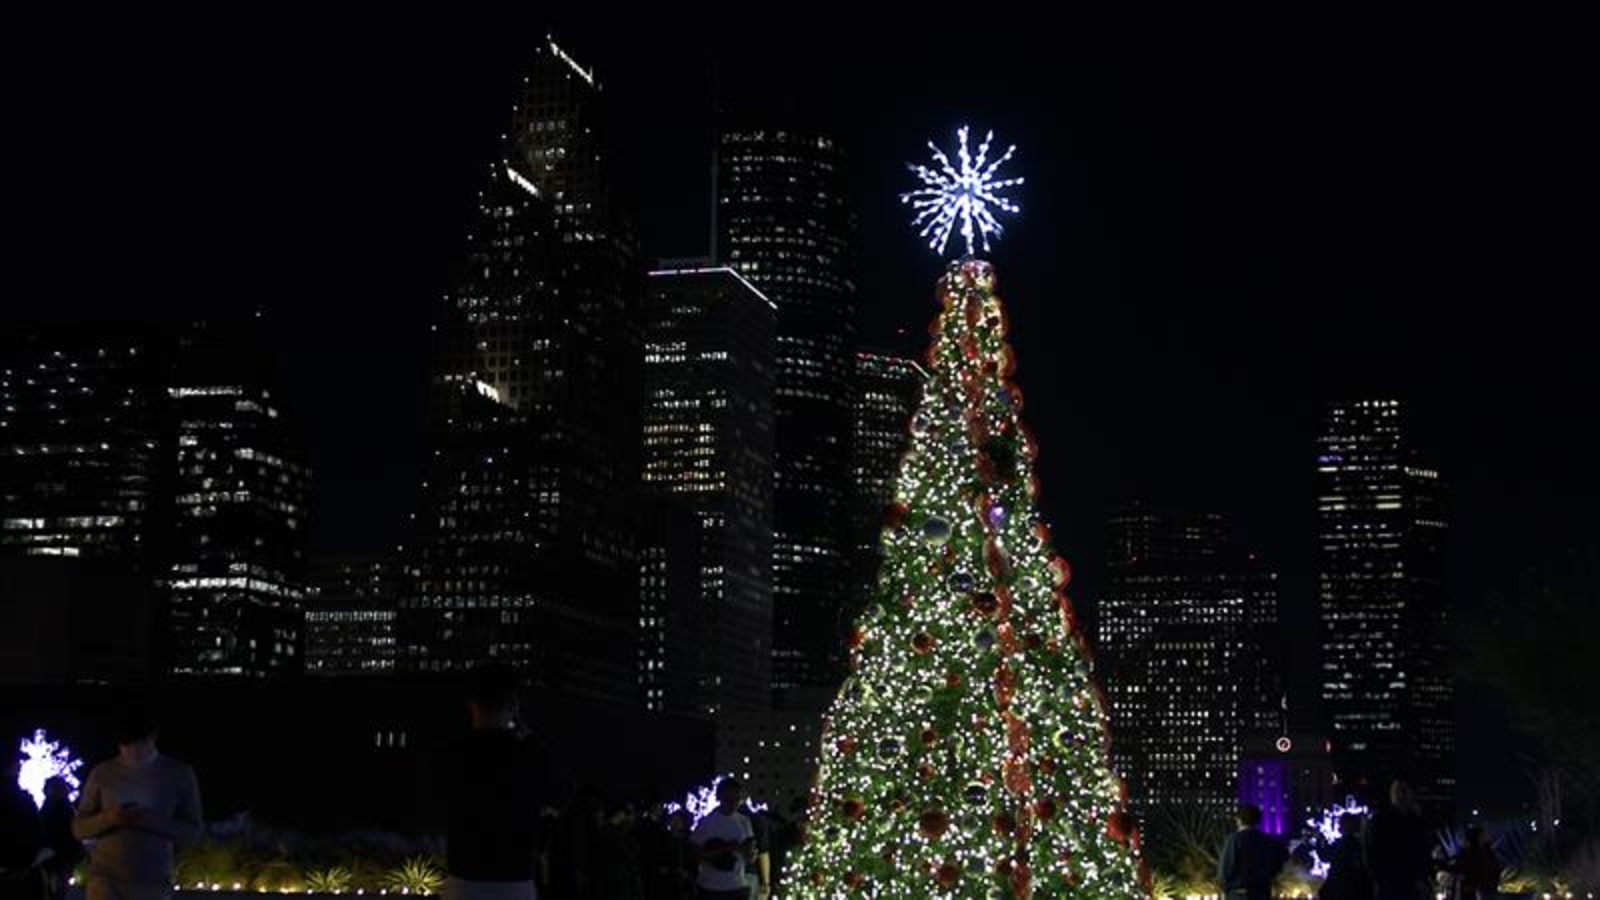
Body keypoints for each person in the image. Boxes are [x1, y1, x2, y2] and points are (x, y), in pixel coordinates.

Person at [436, 664, 572, 900]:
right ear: (514, 706)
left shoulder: (451, 756)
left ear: (471, 704)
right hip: (514, 882)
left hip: (463, 881)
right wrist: (530, 739)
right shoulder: (529, 756)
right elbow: (565, 791)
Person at [72, 702, 204, 900]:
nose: (132, 752)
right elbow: (79, 828)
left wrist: (152, 822)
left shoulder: (179, 774)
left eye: (139, 744)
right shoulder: (102, 773)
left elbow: (193, 833)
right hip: (106, 882)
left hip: (152, 883)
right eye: (126, 746)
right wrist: (109, 818)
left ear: (153, 737)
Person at [1365, 781, 1437, 900]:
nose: (1402, 795)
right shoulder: (1385, 820)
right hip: (1398, 883)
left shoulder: (1383, 819)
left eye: (1404, 791)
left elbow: (1371, 853)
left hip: (1399, 883)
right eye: (1399, 791)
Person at [690, 779, 755, 900]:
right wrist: (726, 849)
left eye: (737, 799)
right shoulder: (707, 822)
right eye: (728, 799)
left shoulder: (744, 821)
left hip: (737, 887)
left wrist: (749, 852)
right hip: (711, 888)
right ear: (719, 797)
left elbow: (751, 857)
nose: (733, 804)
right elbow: (695, 854)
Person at [1219, 804, 1288, 900]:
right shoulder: (1268, 841)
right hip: (1261, 892)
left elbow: (1225, 869)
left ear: (1239, 820)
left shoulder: (1234, 840)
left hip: (1238, 893)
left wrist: (1226, 888)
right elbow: (1280, 861)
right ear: (1258, 820)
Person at [1, 756, 44, 900]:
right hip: (18, 867)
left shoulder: (21, 798)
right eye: (17, 765)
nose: (20, 768)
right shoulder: (21, 799)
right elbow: (36, 831)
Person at [38, 778, 82, 899]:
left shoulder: (53, 807)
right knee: (59, 888)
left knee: (57, 887)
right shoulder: (64, 807)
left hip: (58, 855)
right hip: (62, 855)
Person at [1320, 813, 1374, 900]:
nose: (1338, 826)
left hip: (1342, 886)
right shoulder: (1360, 843)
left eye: (1340, 823)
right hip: (1356, 886)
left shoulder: (1343, 843)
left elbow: (1325, 856)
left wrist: (1320, 841)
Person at [1448, 827, 1499, 900]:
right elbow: (1460, 868)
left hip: (1486, 887)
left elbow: (1494, 866)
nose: (1485, 837)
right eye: (1482, 835)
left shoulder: (1487, 851)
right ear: (1476, 837)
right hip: (1473, 888)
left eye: (1484, 835)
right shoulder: (1468, 853)